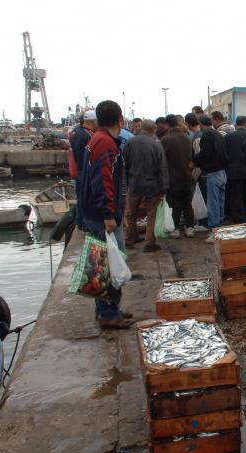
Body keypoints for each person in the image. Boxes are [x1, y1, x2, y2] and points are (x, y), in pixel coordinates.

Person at [76, 100, 134, 329]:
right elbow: (103, 182)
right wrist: (109, 214)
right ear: (120, 120)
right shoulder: (106, 144)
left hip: (96, 212)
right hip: (101, 215)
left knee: (102, 262)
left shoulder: (96, 140)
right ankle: (108, 313)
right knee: (108, 264)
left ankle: (108, 309)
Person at [123, 119, 169, 251]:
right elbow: (162, 168)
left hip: (134, 183)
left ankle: (130, 239)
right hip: (152, 185)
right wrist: (163, 187)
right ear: (153, 130)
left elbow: (125, 164)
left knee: (130, 213)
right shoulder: (156, 145)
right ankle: (149, 243)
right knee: (151, 214)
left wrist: (127, 182)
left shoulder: (130, 142)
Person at [193, 115, 228, 241]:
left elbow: (205, 154)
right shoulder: (218, 134)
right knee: (220, 202)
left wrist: (194, 160)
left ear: (201, 124)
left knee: (213, 203)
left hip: (213, 173)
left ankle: (215, 231)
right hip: (222, 172)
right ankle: (220, 229)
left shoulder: (207, 135)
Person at [161, 114, 196, 238]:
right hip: (187, 176)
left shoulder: (165, 140)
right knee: (187, 203)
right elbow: (191, 157)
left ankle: (175, 229)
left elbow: (162, 160)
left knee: (174, 204)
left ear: (167, 125)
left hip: (173, 178)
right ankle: (190, 228)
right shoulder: (187, 138)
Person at [224, 116, 246, 223]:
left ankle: (238, 218)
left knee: (235, 196)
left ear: (236, 124)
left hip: (232, 172)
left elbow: (225, 154)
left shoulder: (228, 137)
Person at [186, 113, 208, 232]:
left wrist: (195, 175)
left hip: (202, 174)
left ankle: (204, 223)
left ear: (188, 124)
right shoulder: (199, 134)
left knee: (204, 199)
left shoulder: (198, 137)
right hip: (204, 173)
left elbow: (199, 159)